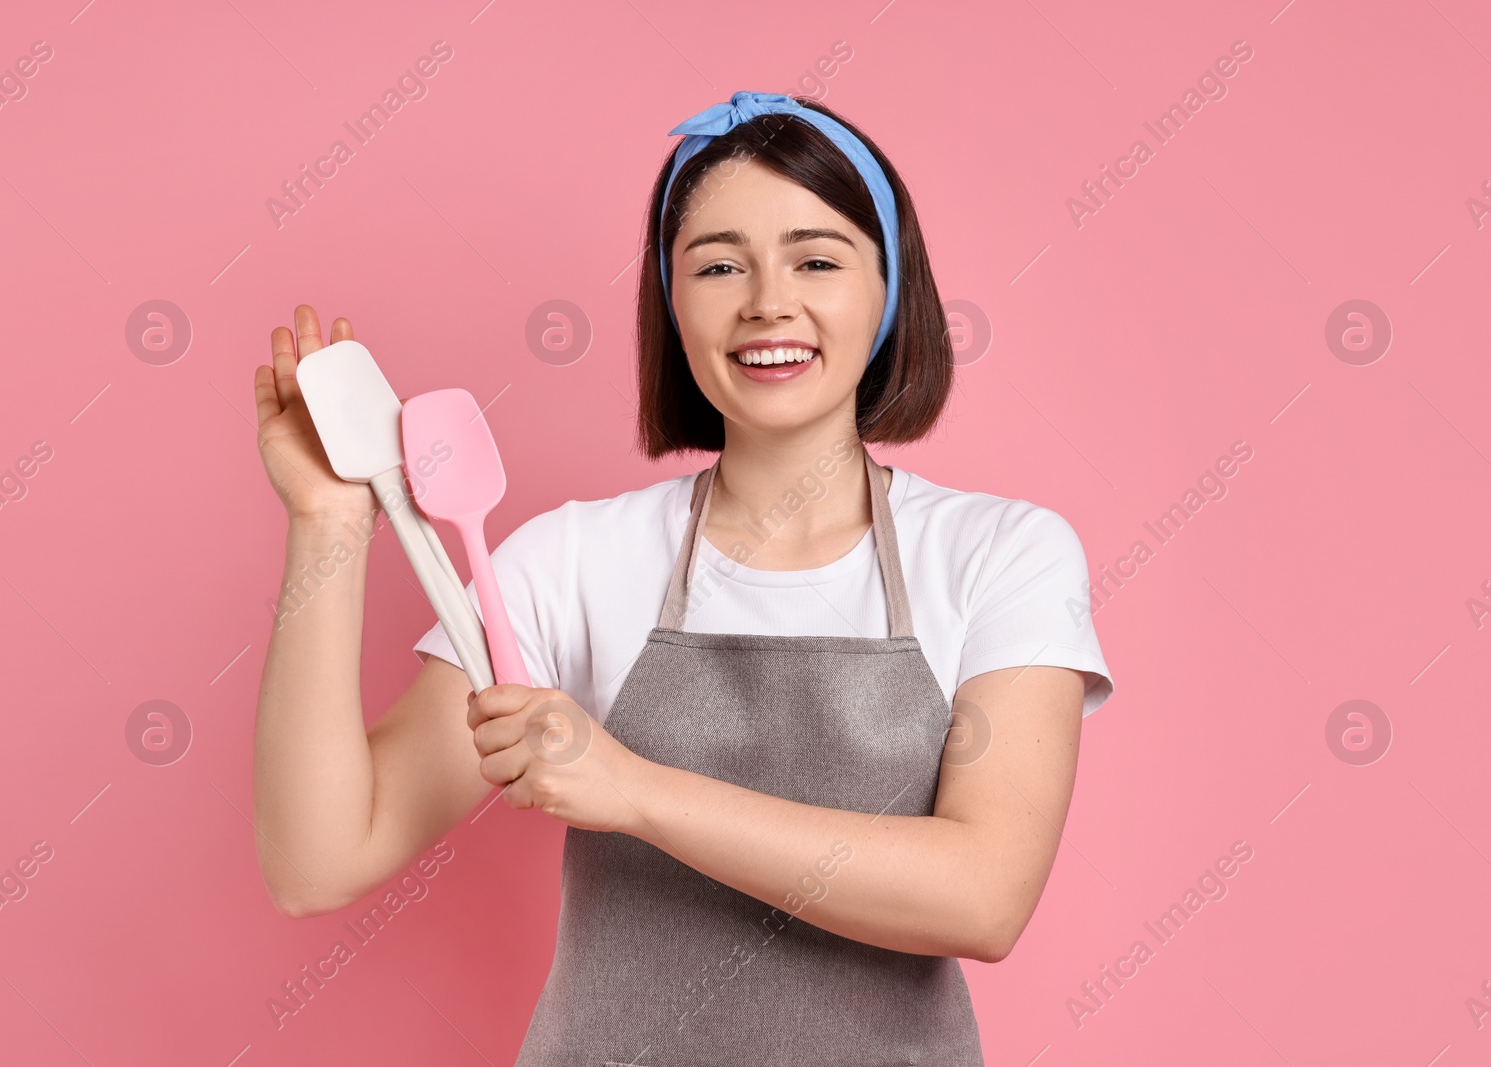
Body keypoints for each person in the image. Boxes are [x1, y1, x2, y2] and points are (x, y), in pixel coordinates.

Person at [252, 91, 1114, 1064]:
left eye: (816, 259)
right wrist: (326, 525)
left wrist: (634, 788)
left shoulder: (1000, 552)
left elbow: (983, 894)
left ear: (890, 292)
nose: (766, 301)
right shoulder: (570, 559)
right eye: (717, 266)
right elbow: (319, 861)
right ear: (671, 299)